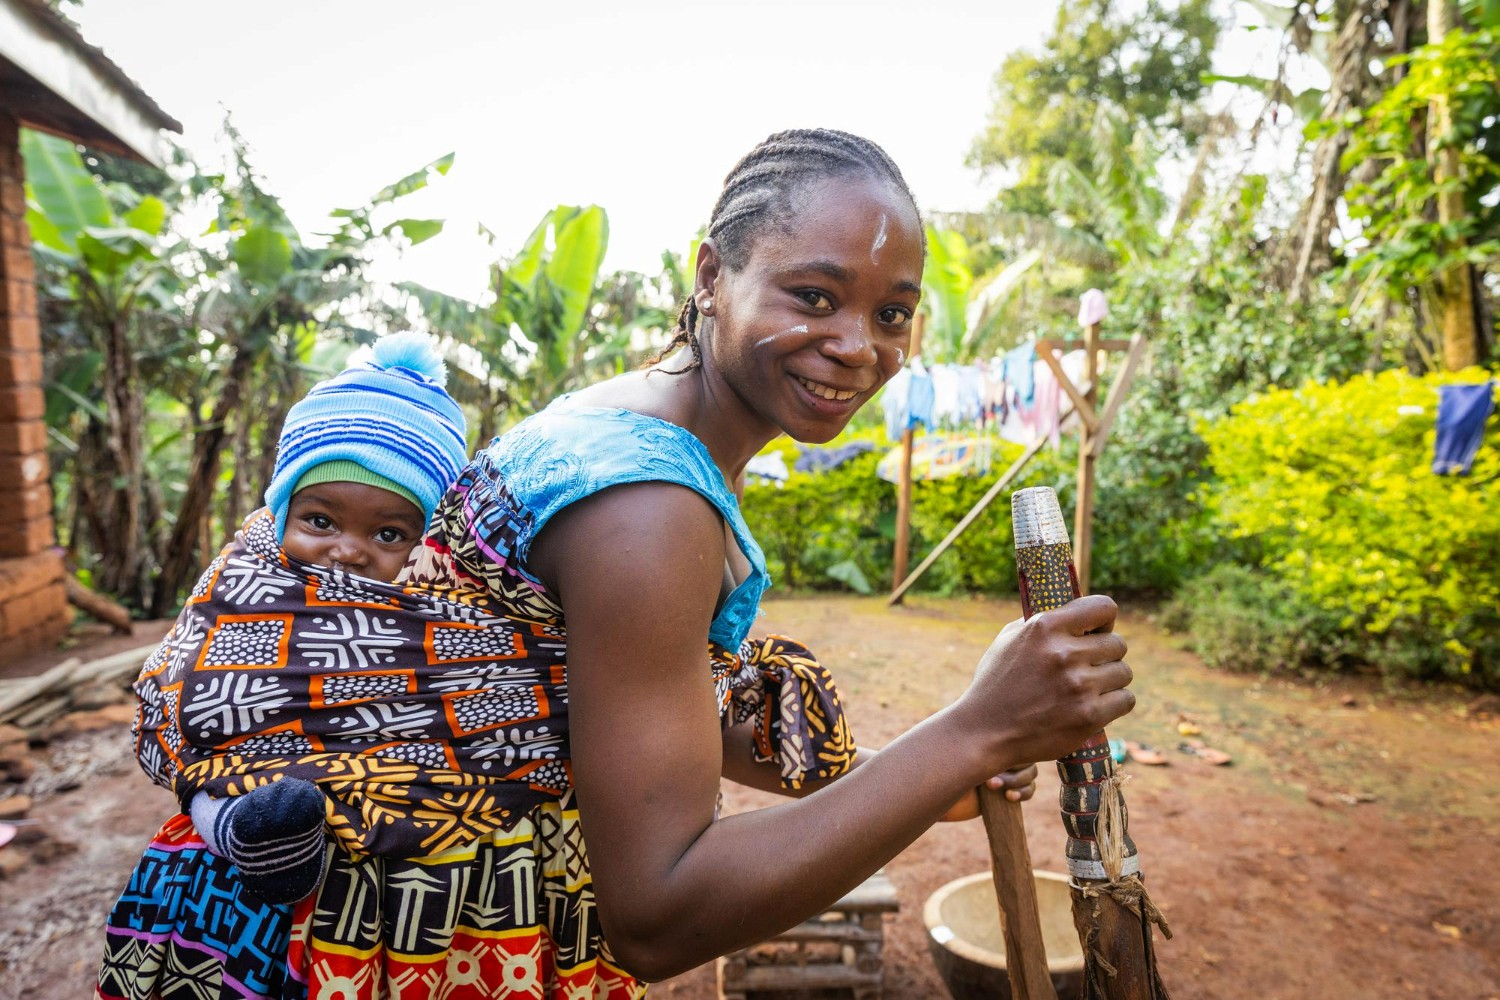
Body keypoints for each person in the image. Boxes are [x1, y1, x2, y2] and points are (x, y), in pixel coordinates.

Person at [99, 128, 1132, 1000]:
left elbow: (586, 700)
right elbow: (660, 910)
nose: (857, 344)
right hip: (375, 934)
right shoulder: (648, 507)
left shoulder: (614, 421)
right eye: (814, 295)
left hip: (318, 905)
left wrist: (935, 768)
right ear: (711, 276)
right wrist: (974, 729)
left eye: (892, 312)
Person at [174, 331, 469, 906]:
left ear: (426, 540)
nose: (348, 550)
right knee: (202, 782)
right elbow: (181, 693)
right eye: (320, 522)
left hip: (393, 835)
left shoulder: (444, 611)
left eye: (388, 533)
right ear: (282, 512)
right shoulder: (241, 583)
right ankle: (244, 834)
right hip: (246, 783)